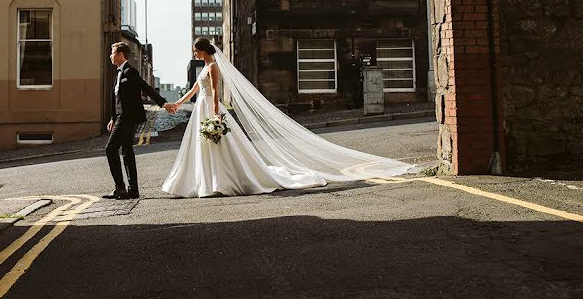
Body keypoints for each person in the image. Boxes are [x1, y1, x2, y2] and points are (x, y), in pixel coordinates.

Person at [161, 37, 414, 198]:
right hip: (201, 109)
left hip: (211, 109)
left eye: (196, 50)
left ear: (204, 50)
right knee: (204, 148)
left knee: (221, 146)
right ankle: (206, 180)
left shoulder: (213, 67)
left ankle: (222, 181)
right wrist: (177, 103)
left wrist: (216, 116)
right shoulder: (204, 68)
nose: (194, 53)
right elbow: (196, 90)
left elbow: (216, 92)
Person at [104, 42, 175, 200]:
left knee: (110, 149)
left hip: (127, 118)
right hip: (120, 118)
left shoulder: (130, 72)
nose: (110, 56)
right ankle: (133, 190)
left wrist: (163, 103)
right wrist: (112, 118)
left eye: (113, 53)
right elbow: (116, 99)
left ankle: (120, 188)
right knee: (127, 151)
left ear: (121, 55)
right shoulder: (118, 74)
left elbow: (146, 88)